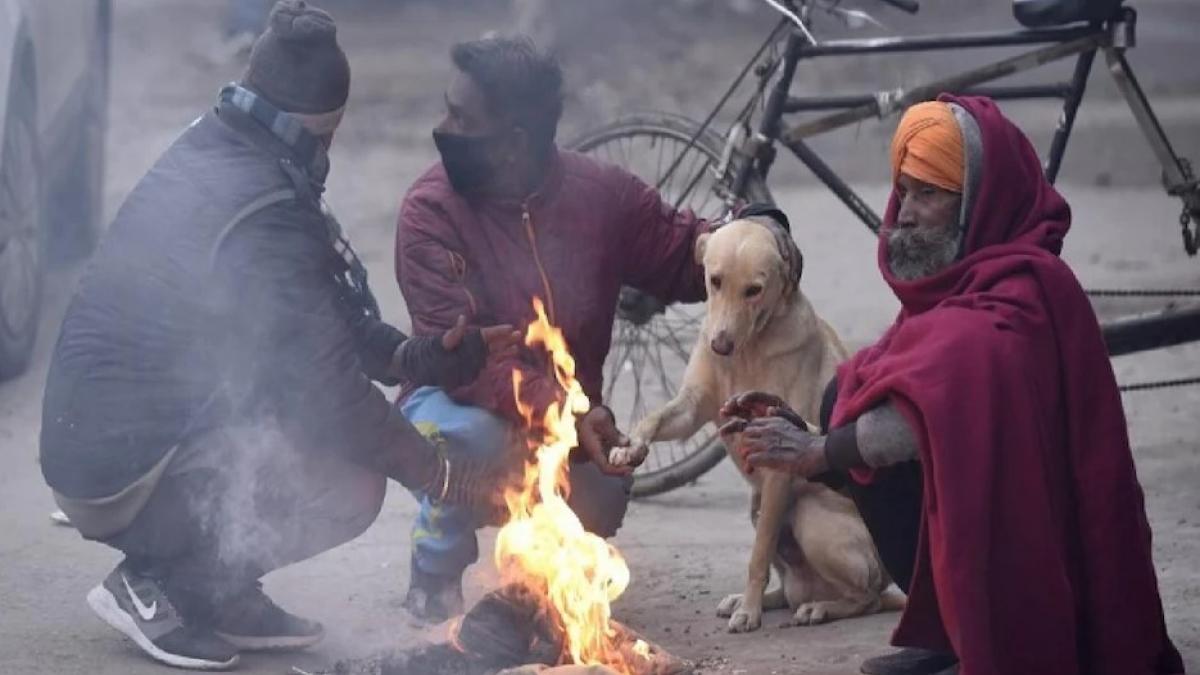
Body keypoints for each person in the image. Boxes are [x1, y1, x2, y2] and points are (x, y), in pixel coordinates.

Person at [40, 2, 518, 670]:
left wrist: (424, 359)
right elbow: (333, 393)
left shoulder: (234, 145)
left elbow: (324, 321)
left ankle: (217, 589)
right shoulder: (265, 205)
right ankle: (160, 584)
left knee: (309, 425)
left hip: (111, 437)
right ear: (325, 127)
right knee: (349, 481)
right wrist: (443, 476)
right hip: (118, 465)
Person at [720, 96, 1184, 675]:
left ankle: (989, 638)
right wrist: (815, 437)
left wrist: (818, 452)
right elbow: (901, 394)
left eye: (929, 194)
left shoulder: (1023, 291)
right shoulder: (963, 282)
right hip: (994, 525)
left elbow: (931, 409)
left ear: (981, 203)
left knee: (858, 419)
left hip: (1041, 560)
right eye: (903, 191)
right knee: (848, 395)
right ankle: (953, 633)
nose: (906, 213)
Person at [395, 36, 711, 622]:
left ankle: (529, 590)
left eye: (461, 118)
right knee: (474, 440)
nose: (443, 129)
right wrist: (567, 411)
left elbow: (682, 250)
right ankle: (434, 569)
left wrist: (750, 235)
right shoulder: (430, 210)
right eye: (447, 111)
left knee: (603, 495)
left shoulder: (601, 196)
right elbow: (465, 364)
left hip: (564, 421)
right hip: (452, 407)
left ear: (513, 142)